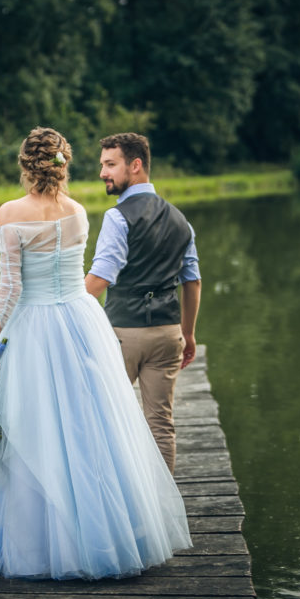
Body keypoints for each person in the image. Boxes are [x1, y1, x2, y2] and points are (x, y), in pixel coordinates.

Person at [0, 127, 191, 580]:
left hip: (35, 323)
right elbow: (77, 273)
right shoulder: (80, 213)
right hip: (81, 319)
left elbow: (11, 288)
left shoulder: (10, 213)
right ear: (64, 163)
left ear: (25, 165)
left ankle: (37, 542)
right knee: (88, 425)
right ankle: (101, 535)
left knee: (30, 424)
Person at [84, 133, 202, 474]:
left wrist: (62, 305)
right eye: (103, 165)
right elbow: (192, 281)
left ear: (135, 166)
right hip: (168, 334)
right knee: (161, 424)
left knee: (105, 418)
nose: (103, 173)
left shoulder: (117, 217)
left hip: (123, 334)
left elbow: (100, 277)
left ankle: (116, 502)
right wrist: (188, 334)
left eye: (110, 165)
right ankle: (162, 511)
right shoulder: (182, 221)